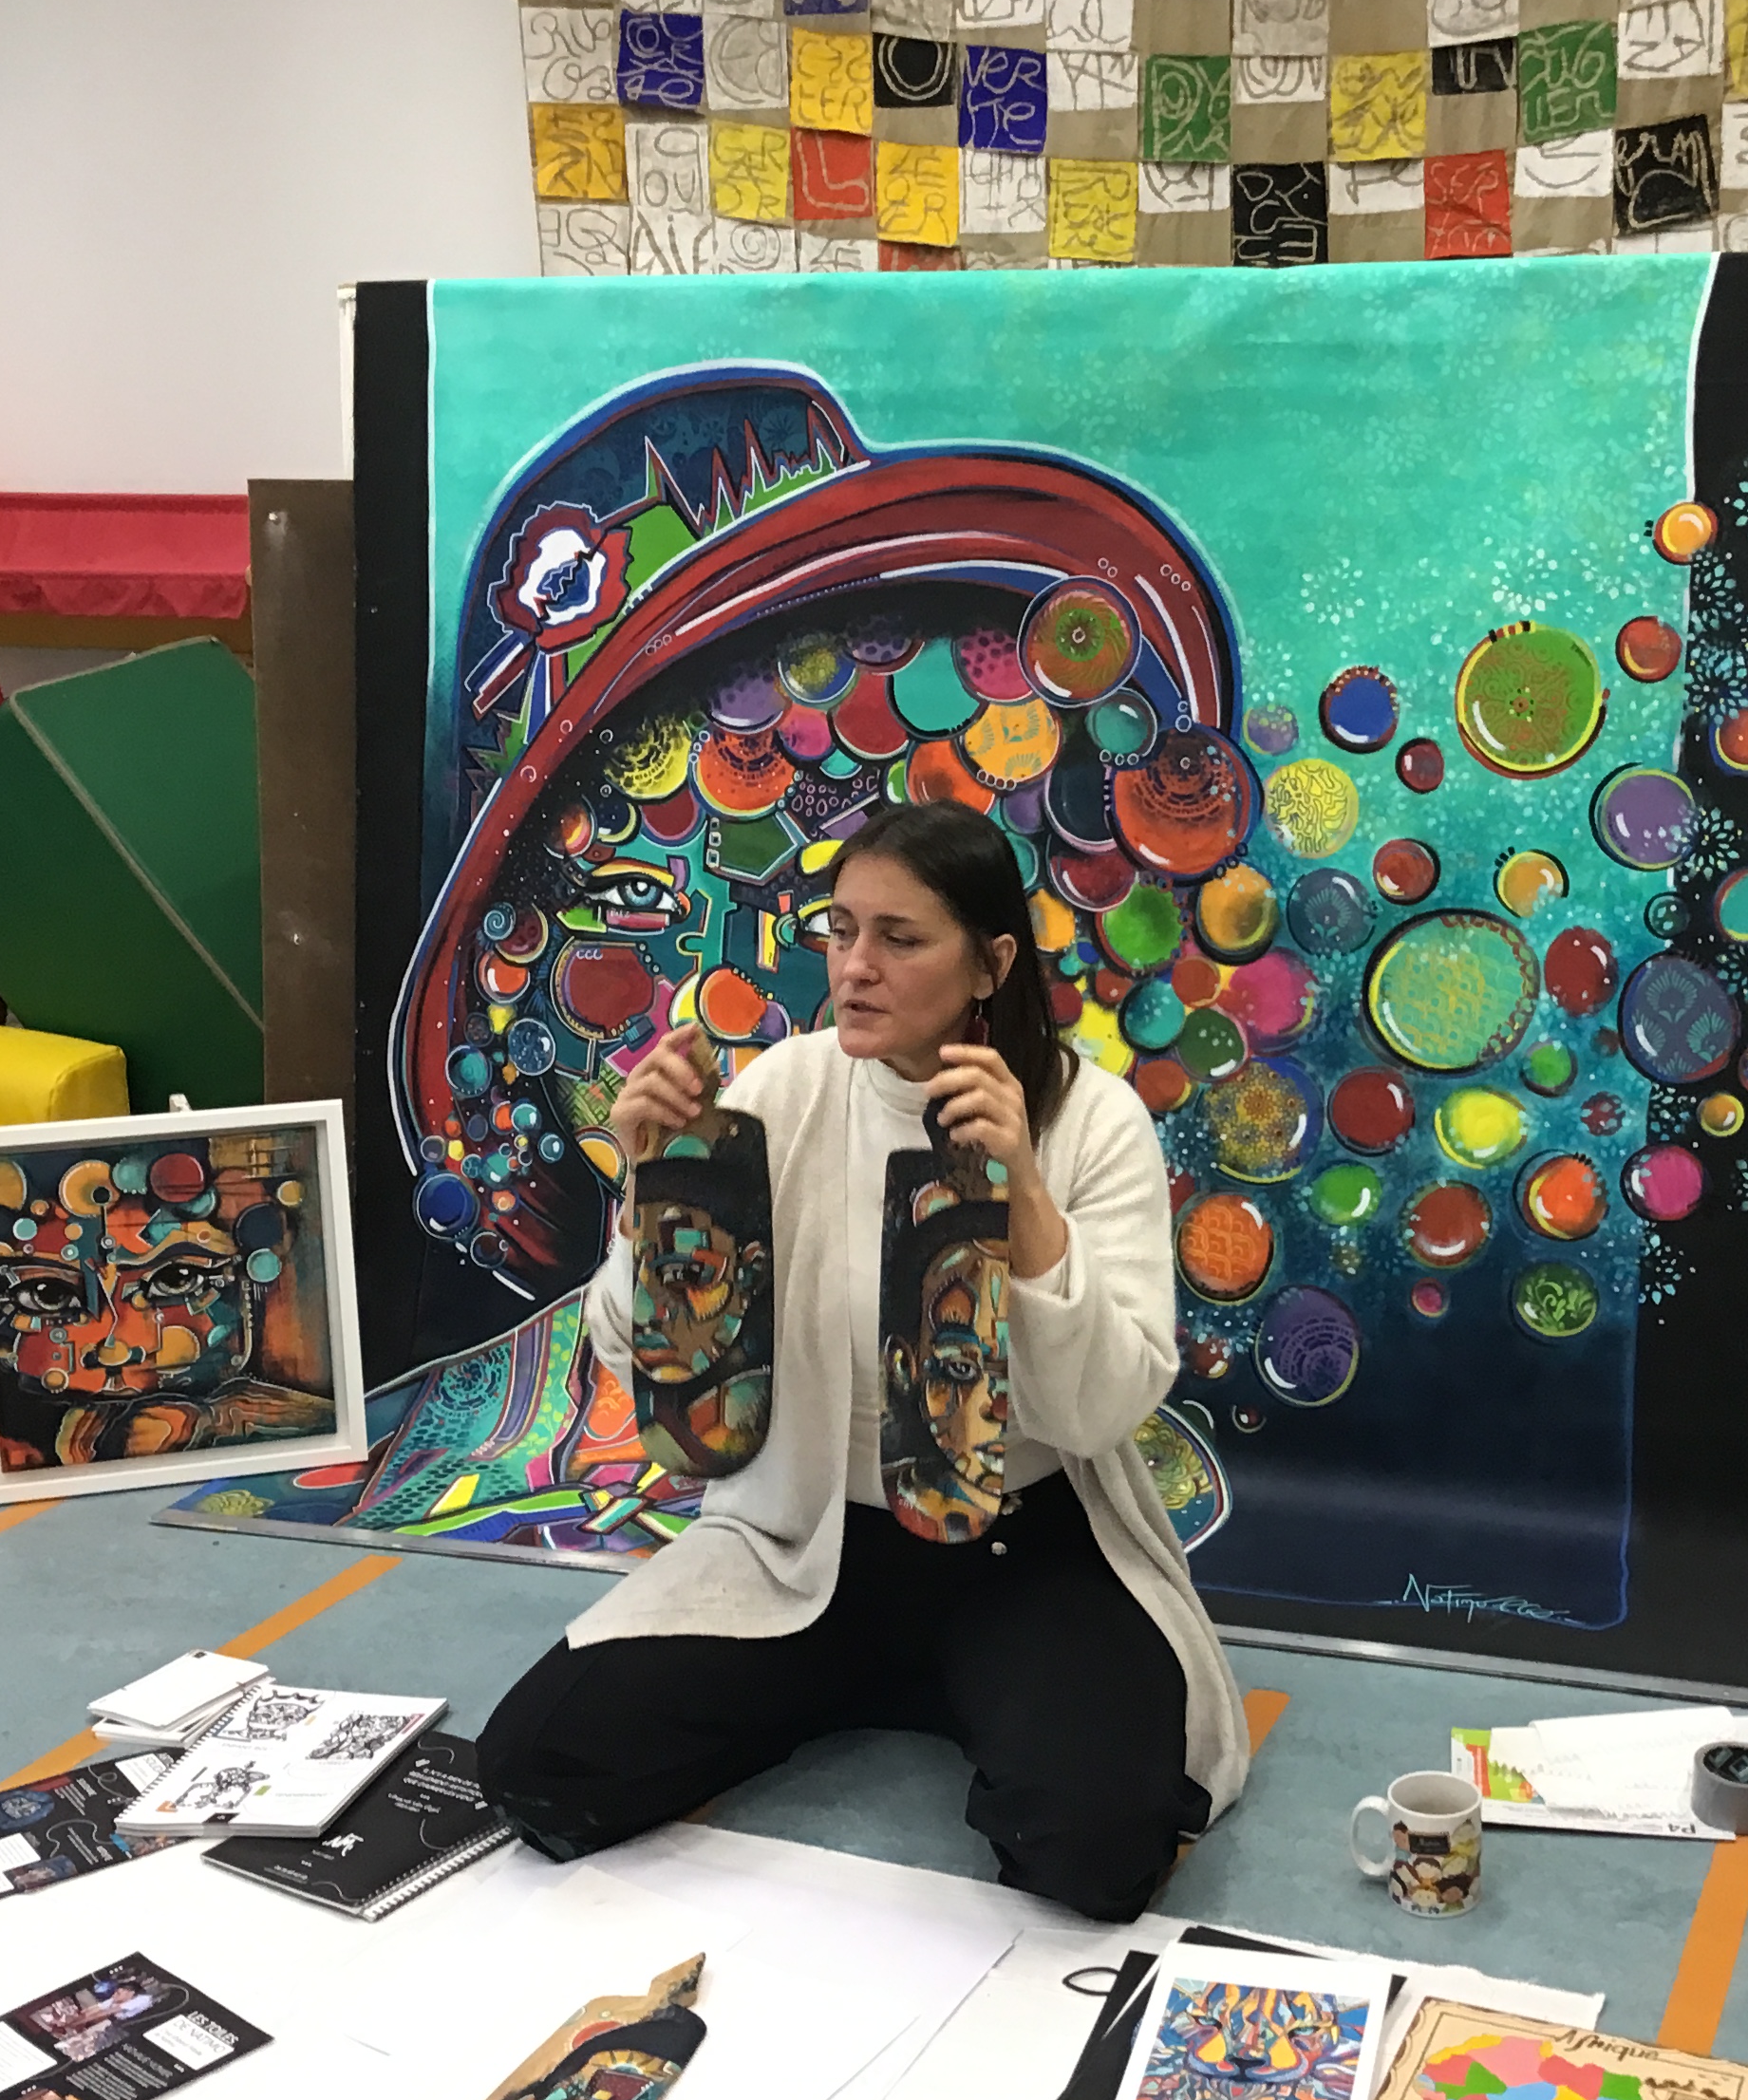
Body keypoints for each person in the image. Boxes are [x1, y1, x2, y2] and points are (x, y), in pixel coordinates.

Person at [476, 802, 1250, 1919]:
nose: (855, 966)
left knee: (1093, 1847)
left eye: (900, 937)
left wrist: (1026, 1201)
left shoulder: (1090, 1119)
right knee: (538, 1766)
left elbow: (1100, 1410)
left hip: (1010, 1548)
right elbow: (650, 1359)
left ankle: (953, 1684)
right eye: (840, 931)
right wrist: (654, 1194)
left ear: (990, 962)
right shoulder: (782, 1093)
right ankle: (854, 1676)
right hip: (807, 1541)